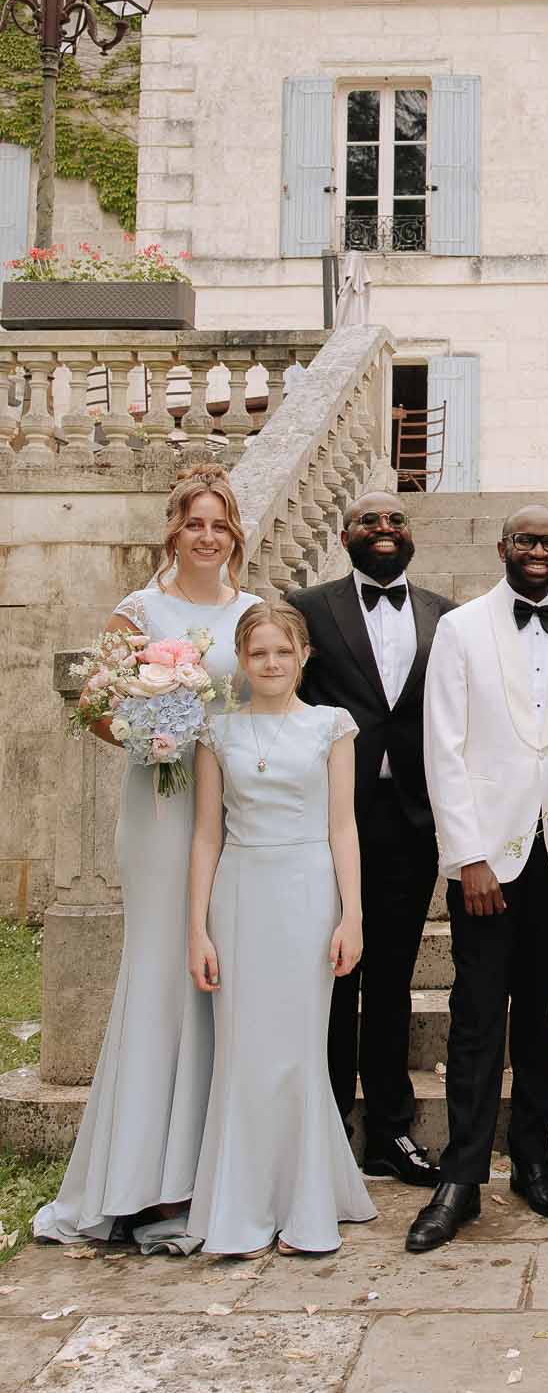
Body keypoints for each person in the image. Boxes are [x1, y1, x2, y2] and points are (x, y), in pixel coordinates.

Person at [35, 466, 262, 1248]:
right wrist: (146, 737)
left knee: (226, 965)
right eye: (196, 523)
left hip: (238, 805)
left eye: (221, 524)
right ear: (174, 530)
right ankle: (141, 1175)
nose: (208, 536)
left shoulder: (253, 613)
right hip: (162, 800)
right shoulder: (138, 612)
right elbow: (96, 704)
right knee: (163, 964)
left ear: (236, 535)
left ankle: (212, 1163)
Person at [408, 505, 548, 1252]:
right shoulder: (459, 629)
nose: (537, 550)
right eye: (525, 539)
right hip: (489, 861)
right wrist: (469, 857)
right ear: (502, 547)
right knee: (477, 1017)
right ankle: (461, 1178)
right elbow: (444, 749)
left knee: (546, 1021)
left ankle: (531, 1159)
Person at [186, 601, 375, 1255]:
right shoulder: (217, 732)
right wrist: (196, 931)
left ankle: (308, 1205)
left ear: (303, 657)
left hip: (307, 891)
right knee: (242, 1049)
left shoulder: (331, 726)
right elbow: (206, 835)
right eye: (258, 652)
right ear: (242, 661)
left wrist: (351, 914)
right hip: (239, 894)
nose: (270, 663)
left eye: (282, 651)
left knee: (297, 1049)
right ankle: (240, 1206)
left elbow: (342, 826)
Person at [289, 493, 454, 1187]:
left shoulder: (444, 614)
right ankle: (324, 1131)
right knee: (332, 974)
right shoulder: (310, 606)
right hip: (330, 815)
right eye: (368, 521)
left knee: (390, 979)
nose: (383, 529)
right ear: (343, 532)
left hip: (411, 818)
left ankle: (389, 1129)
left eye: (395, 521)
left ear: (410, 534)